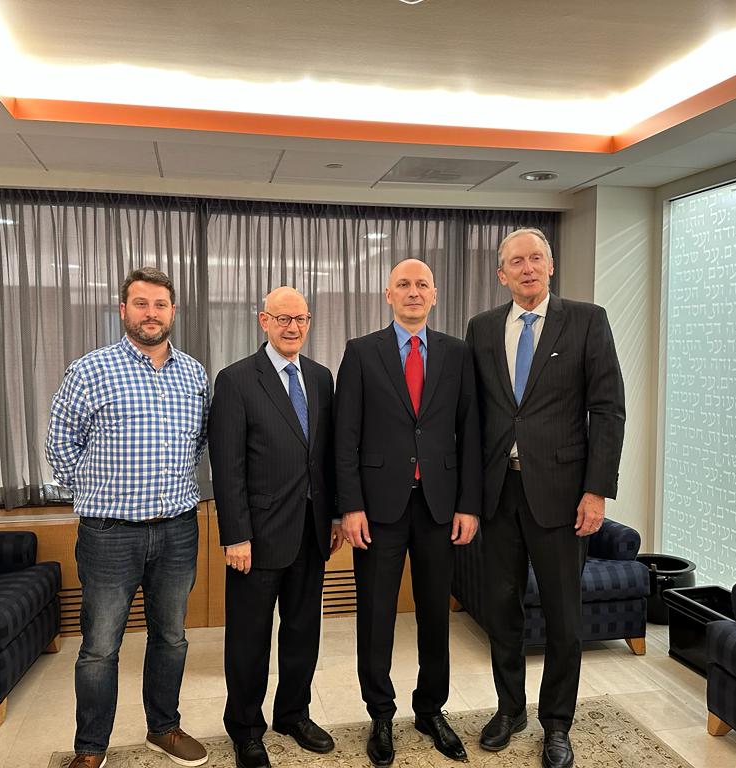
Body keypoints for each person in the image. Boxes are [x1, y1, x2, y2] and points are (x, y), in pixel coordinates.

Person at [465, 228, 625, 768]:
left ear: (551, 266)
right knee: (502, 609)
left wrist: (596, 490)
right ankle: (510, 709)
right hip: (498, 493)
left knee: (562, 616)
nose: (527, 268)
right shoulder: (482, 328)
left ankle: (557, 723)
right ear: (501, 274)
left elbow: (608, 410)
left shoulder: (587, 320)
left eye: (536, 258)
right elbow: (476, 414)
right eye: (517, 261)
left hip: (562, 495)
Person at [46, 266, 211, 768]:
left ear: (173, 311)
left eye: (160, 304)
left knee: (172, 638)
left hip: (178, 530)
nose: (151, 313)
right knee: (99, 648)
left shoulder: (194, 374)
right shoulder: (89, 370)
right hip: (109, 535)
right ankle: (91, 748)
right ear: (123, 310)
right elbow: (60, 446)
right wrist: (98, 494)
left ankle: (164, 728)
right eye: (141, 303)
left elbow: (199, 442)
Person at [335, 258, 481, 767]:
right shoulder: (361, 352)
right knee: (376, 615)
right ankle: (380, 714)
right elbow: (345, 436)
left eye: (422, 284)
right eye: (403, 284)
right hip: (378, 509)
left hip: (440, 506)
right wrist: (350, 506)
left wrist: (468, 504)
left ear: (434, 295)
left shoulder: (457, 353)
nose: (413, 292)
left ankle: (430, 709)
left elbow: (470, 431)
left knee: (434, 614)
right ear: (388, 294)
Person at [208, 286, 342, 768]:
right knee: (249, 639)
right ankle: (245, 728)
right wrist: (235, 535)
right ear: (263, 321)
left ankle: (293, 714)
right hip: (257, 537)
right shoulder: (237, 380)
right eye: (283, 318)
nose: (293, 327)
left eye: (301, 318)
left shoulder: (321, 378)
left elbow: (327, 456)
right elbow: (227, 467)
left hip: (311, 530)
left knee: (303, 631)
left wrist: (334, 515)